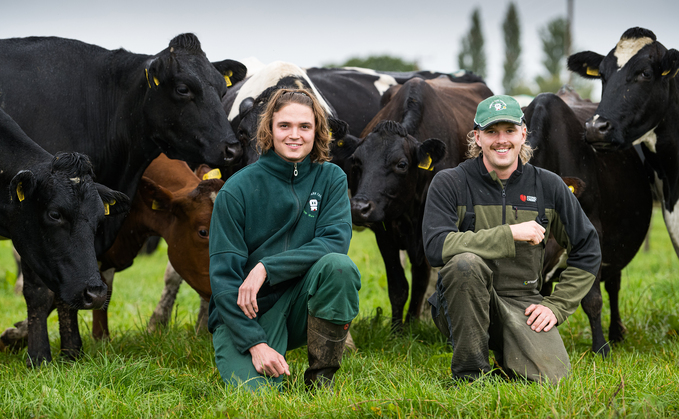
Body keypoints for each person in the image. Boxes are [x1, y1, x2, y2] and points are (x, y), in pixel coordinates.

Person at [422, 95, 601, 384]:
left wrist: (556, 305)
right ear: (477, 137)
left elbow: (587, 248)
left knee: (552, 378)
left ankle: (508, 357)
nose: (500, 140)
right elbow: (435, 247)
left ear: (523, 134)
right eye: (491, 132)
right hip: (460, 301)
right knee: (465, 264)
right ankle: (471, 374)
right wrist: (510, 234)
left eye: (509, 131)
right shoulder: (450, 182)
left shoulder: (549, 185)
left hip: (524, 303)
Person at [208, 88, 361, 391]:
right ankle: (257, 349)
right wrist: (255, 344)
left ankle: (321, 380)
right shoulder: (236, 190)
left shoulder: (331, 178)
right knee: (258, 399)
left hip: (299, 304)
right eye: (284, 126)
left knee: (338, 267)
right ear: (269, 130)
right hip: (247, 311)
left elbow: (334, 241)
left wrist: (266, 267)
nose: (295, 135)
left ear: (317, 131)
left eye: (304, 126)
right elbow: (223, 279)